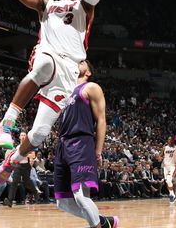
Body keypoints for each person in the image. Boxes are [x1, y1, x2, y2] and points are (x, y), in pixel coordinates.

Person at [0, 0, 101, 186]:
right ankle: (6, 124)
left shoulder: (83, 6)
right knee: (43, 65)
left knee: (40, 133)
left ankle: (13, 159)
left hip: (69, 70)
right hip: (48, 54)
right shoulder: (46, 4)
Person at [53, 60, 118, 228]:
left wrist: (98, 151)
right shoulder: (67, 92)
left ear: (88, 72)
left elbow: (102, 120)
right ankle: (103, 222)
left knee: (81, 195)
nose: (77, 62)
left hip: (80, 143)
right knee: (63, 202)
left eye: (82, 62)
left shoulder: (91, 87)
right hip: (62, 145)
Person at [162, 136, 176, 204]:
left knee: (169, 180)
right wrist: (159, 157)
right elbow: (161, 155)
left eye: (171, 140)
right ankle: (172, 195)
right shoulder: (164, 148)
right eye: (168, 139)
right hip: (165, 166)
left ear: (173, 140)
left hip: (172, 166)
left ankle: (172, 195)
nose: (169, 141)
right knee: (167, 182)